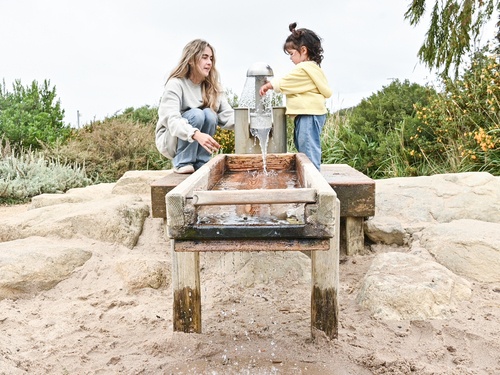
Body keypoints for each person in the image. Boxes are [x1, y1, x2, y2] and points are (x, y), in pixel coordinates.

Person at [259, 22, 332, 170]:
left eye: (292, 54)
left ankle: (315, 184)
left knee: (308, 152)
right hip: (308, 114)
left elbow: (288, 81)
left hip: (308, 115)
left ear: (303, 50)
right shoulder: (312, 69)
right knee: (305, 148)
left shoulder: (304, 69)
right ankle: (311, 178)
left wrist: (269, 85)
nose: (291, 58)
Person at [156, 39, 234, 174]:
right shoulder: (176, 84)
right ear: (191, 60)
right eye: (204, 58)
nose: (209, 62)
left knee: (210, 114)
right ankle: (183, 162)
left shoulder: (213, 87)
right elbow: (171, 120)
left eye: (211, 58)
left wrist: (253, 124)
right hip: (171, 140)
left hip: (196, 141)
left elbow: (228, 116)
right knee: (197, 114)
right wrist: (195, 134)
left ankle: (201, 163)